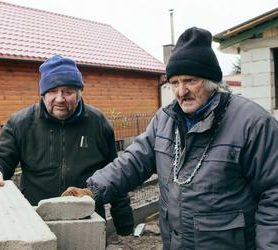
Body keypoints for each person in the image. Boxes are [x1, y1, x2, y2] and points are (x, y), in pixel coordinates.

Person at [62, 27, 278, 249]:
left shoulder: (253, 123)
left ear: (211, 81)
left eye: (190, 81)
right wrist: (93, 190)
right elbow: (133, 161)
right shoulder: (164, 120)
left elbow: (274, 194)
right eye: (174, 83)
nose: (181, 91)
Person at [0, 55, 134, 236]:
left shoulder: (98, 123)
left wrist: (124, 224)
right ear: (43, 93)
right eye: (53, 91)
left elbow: (114, 174)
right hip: (36, 222)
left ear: (79, 93)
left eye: (68, 91)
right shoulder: (21, 123)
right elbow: (0, 156)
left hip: (86, 222)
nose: (60, 98)